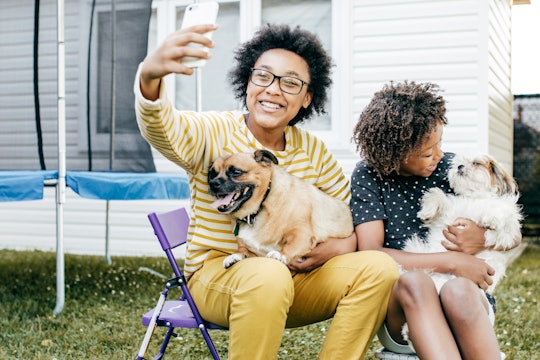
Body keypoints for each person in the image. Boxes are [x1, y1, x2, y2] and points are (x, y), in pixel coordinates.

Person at [134, 23, 398, 359]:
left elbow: (347, 212)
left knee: (379, 268)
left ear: (306, 98)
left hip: (293, 277)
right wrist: (150, 77)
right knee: (268, 273)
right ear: (247, 82)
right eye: (263, 76)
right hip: (220, 277)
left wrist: (338, 247)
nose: (274, 90)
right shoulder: (214, 131)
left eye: (290, 83)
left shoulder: (313, 150)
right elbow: (163, 129)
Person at [350, 81, 516, 359]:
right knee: (416, 282)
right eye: (427, 152)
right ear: (394, 156)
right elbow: (371, 252)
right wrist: (450, 260)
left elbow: (511, 228)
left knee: (459, 289)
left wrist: (482, 237)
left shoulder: (451, 168)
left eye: (439, 144)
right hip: (403, 307)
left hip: (464, 306)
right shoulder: (369, 177)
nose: (439, 156)